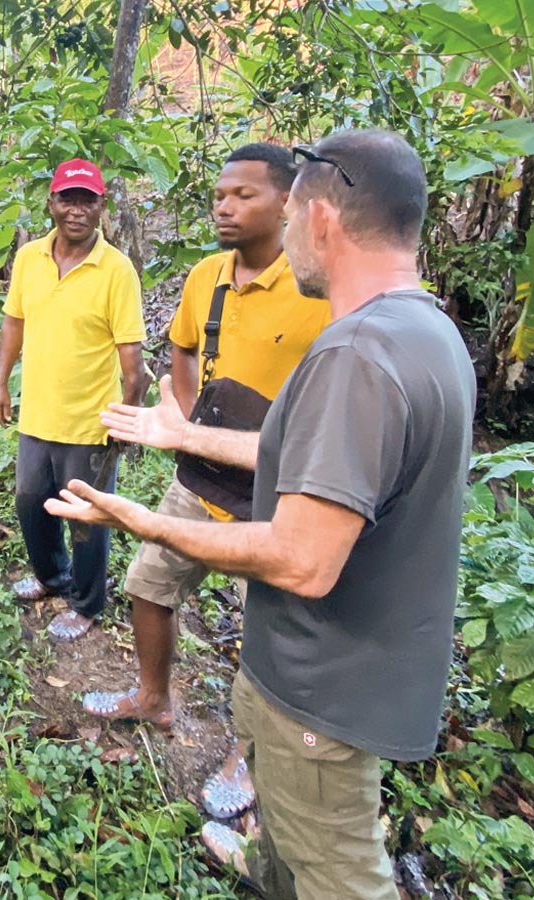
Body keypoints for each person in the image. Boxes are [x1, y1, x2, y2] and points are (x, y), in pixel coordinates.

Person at [45, 129, 476, 900]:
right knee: (294, 840)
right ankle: (264, 864)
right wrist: (183, 433)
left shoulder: (355, 352)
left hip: (325, 688)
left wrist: (144, 522)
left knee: (341, 870)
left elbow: (303, 558)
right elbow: (303, 453)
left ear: (316, 220)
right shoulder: (425, 331)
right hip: (345, 669)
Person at [80, 143, 330, 822]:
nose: (224, 205)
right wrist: (186, 421)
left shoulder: (319, 291)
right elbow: (182, 348)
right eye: (219, 194)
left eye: (243, 195)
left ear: (288, 204)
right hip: (205, 476)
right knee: (148, 584)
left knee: (274, 636)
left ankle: (248, 758)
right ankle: (153, 696)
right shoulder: (206, 278)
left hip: (281, 491)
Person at [0, 158, 147, 642]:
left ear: (102, 207)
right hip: (37, 412)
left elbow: (132, 361)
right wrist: (1, 382)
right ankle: (50, 576)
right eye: (67, 198)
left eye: (87, 200)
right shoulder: (29, 258)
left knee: (87, 521)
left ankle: (85, 603)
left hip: (91, 420)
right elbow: (14, 322)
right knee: (30, 502)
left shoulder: (117, 271)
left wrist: (126, 423)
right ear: (51, 202)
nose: (76, 210)